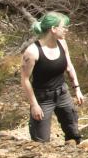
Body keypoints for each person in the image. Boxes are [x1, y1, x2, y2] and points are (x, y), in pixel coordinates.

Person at [20, 12, 84, 143]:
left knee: (73, 131)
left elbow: (69, 66)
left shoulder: (62, 43)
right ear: (53, 29)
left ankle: (72, 157)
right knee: (41, 141)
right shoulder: (32, 52)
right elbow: (25, 80)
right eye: (64, 27)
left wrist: (77, 88)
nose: (66, 30)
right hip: (43, 99)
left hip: (62, 93)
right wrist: (34, 105)